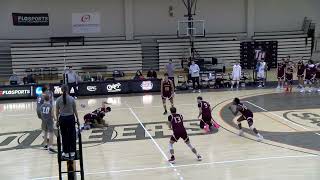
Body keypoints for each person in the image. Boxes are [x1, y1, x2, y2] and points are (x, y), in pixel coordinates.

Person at [56, 85, 79, 159]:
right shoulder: (72, 99)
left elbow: (57, 111)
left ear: (61, 90)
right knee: (72, 135)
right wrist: (77, 119)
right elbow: (75, 110)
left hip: (62, 119)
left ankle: (65, 152)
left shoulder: (58, 99)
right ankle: (72, 152)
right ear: (68, 90)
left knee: (64, 135)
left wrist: (57, 120)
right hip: (70, 118)